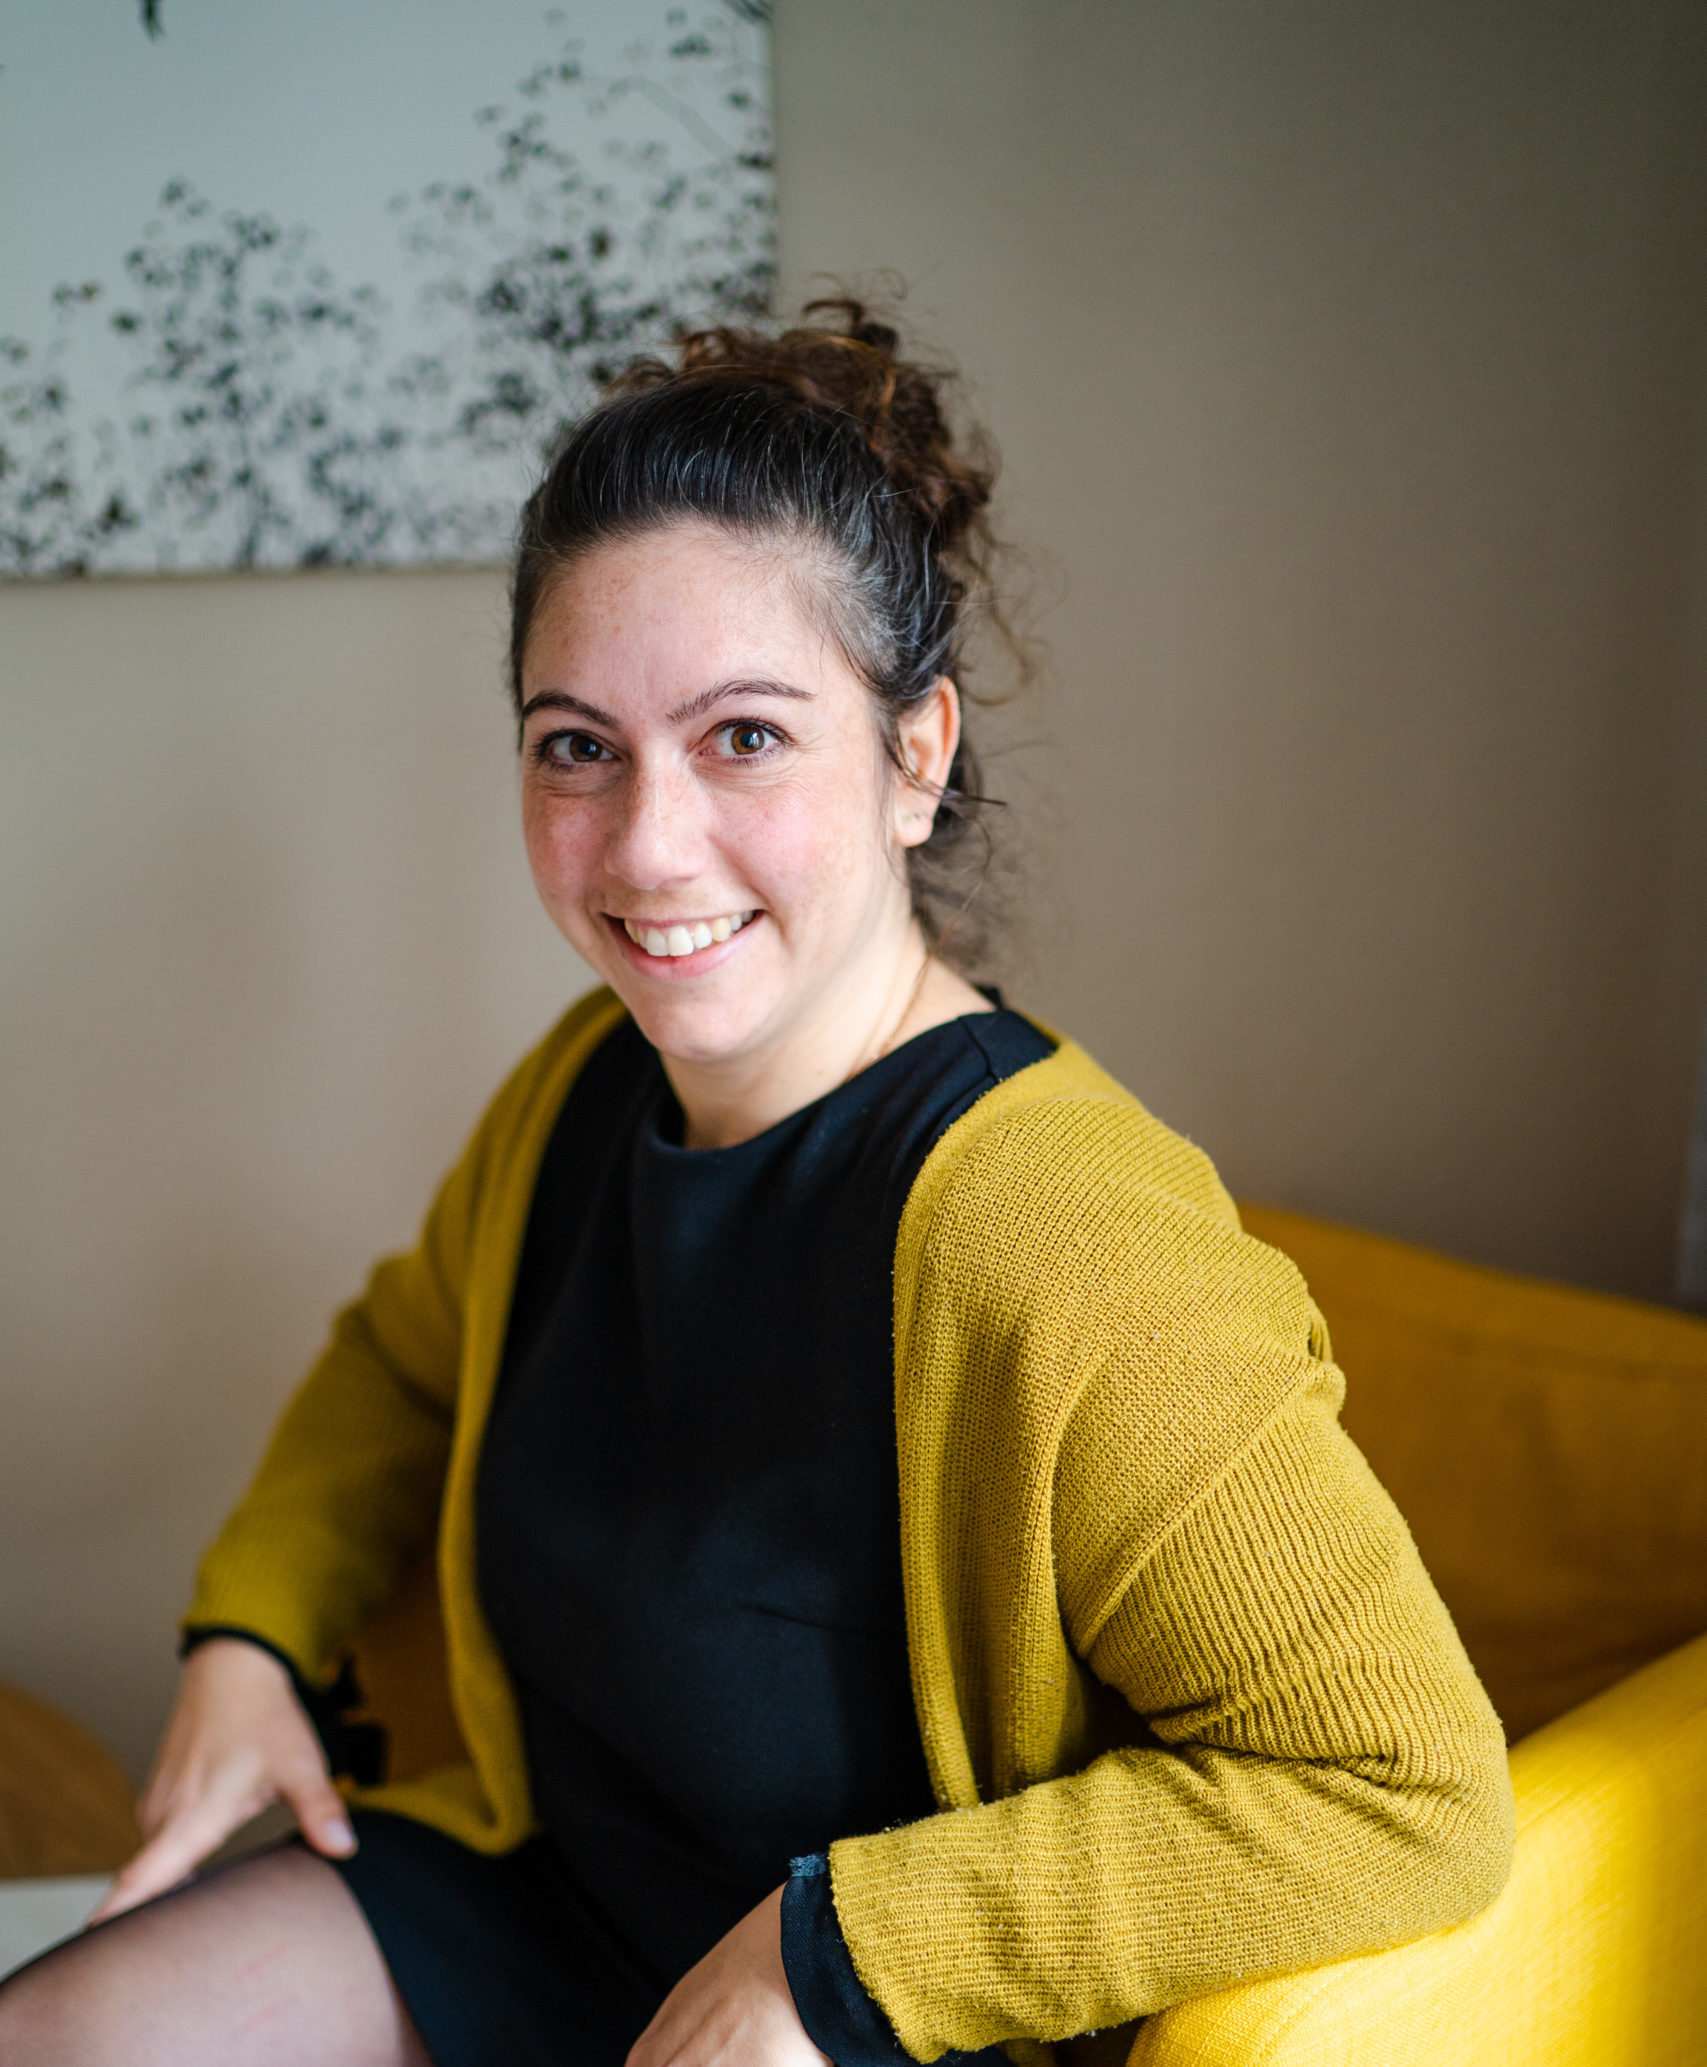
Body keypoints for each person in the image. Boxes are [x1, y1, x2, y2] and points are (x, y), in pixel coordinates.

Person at [0, 303, 1514, 2067]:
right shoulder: (581, 1092)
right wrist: (252, 1637)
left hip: (856, 2021)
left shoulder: (1072, 1237)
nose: (649, 847)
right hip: (547, 1902)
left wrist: (834, 1959)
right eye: (579, 745)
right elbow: (403, 1363)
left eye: (745, 737)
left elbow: (1403, 1788)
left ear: (915, 755)